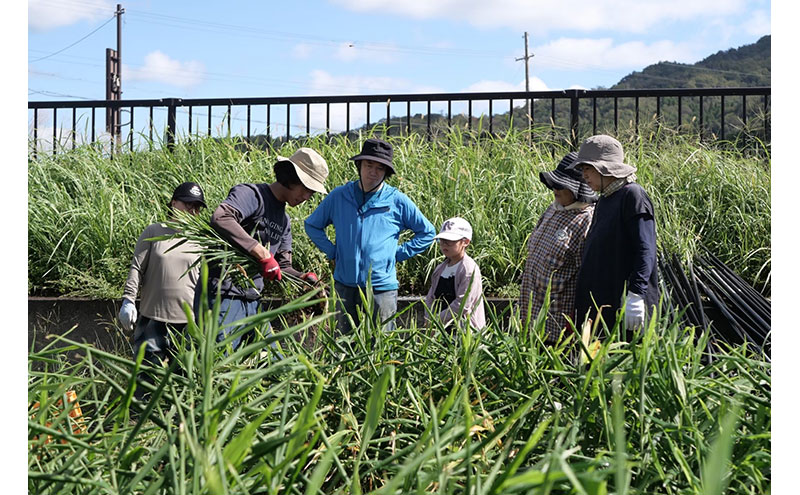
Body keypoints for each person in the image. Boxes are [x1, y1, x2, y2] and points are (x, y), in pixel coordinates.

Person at [198, 148, 329, 350]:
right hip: (224, 297)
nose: (307, 196)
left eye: (311, 192)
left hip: (253, 301)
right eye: (307, 188)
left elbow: (282, 266)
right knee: (218, 363)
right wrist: (261, 252)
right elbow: (221, 217)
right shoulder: (252, 195)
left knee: (275, 365)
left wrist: (302, 278)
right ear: (291, 177)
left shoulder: (284, 221)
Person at [304, 138, 436, 334]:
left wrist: (397, 254)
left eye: (380, 168)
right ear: (359, 166)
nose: (373, 172)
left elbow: (427, 232)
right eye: (368, 165)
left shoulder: (397, 200)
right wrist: (332, 251)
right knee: (344, 341)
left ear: (386, 173)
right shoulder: (339, 196)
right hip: (345, 285)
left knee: (381, 344)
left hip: (381, 288)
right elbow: (312, 225)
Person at [119, 182, 207, 394]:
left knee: (184, 379)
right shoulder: (154, 231)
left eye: (196, 207)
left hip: (188, 323)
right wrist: (128, 300)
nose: (191, 210)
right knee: (145, 375)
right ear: (173, 203)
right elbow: (137, 267)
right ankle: (138, 419)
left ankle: (179, 423)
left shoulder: (202, 240)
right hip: (153, 318)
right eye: (187, 204)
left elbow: (207, 282)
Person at [568, 135, 659, 336]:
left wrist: (636, 294)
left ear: (604, 167)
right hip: (602, 308)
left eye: (587, 168)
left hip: (624, 306)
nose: (584, 176)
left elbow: (646, 250)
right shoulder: (604, 200)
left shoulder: (632, 195)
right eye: (582, 170)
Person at [519, 152, 597, 344]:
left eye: (562, 185)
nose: (555, 188)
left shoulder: (587, 221)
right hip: (530, 314)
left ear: (578, 188)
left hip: (558, 324)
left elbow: (587, 278)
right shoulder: (552, 209)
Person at [424, 217, 486, 331]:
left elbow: (462, 305)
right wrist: (429, 317)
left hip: (463, 330)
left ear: (465, 242)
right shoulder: (440, 269)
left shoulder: (468, 269)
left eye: (450, 241)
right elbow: (430, 297)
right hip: (441, 328)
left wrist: (437, 319)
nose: (444, 245)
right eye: (442, 241)